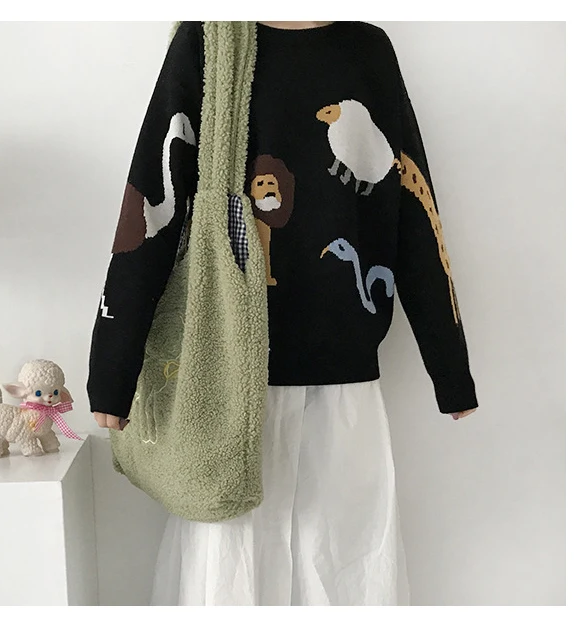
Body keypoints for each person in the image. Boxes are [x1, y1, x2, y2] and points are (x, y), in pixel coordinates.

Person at [88, 21, 477, 606]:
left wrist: (450, 368)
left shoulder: (366, 49)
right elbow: (152, 197)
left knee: (345, 577)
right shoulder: (206, 41)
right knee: (228, 577)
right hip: (224, 381)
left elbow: (412, 212)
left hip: (342, 386)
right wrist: (112, 371)